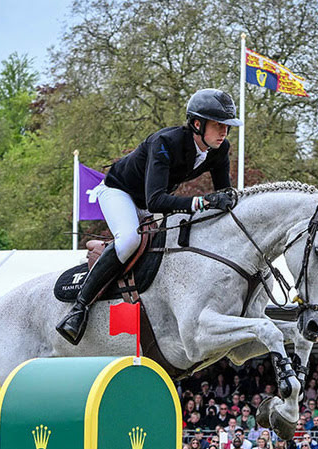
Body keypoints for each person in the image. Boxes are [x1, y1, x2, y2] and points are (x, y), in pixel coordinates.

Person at [56, 88, 242, 345]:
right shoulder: (165, 143)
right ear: (197, 124)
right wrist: (202, 201)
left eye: (227, 126)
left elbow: (224, 193)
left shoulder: (220, 149)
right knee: (130, 239)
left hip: (151, 200)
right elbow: (156, 200)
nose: (224, 132)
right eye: (218, 125)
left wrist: (229, 201)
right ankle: (79, 309)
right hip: (119, 192)